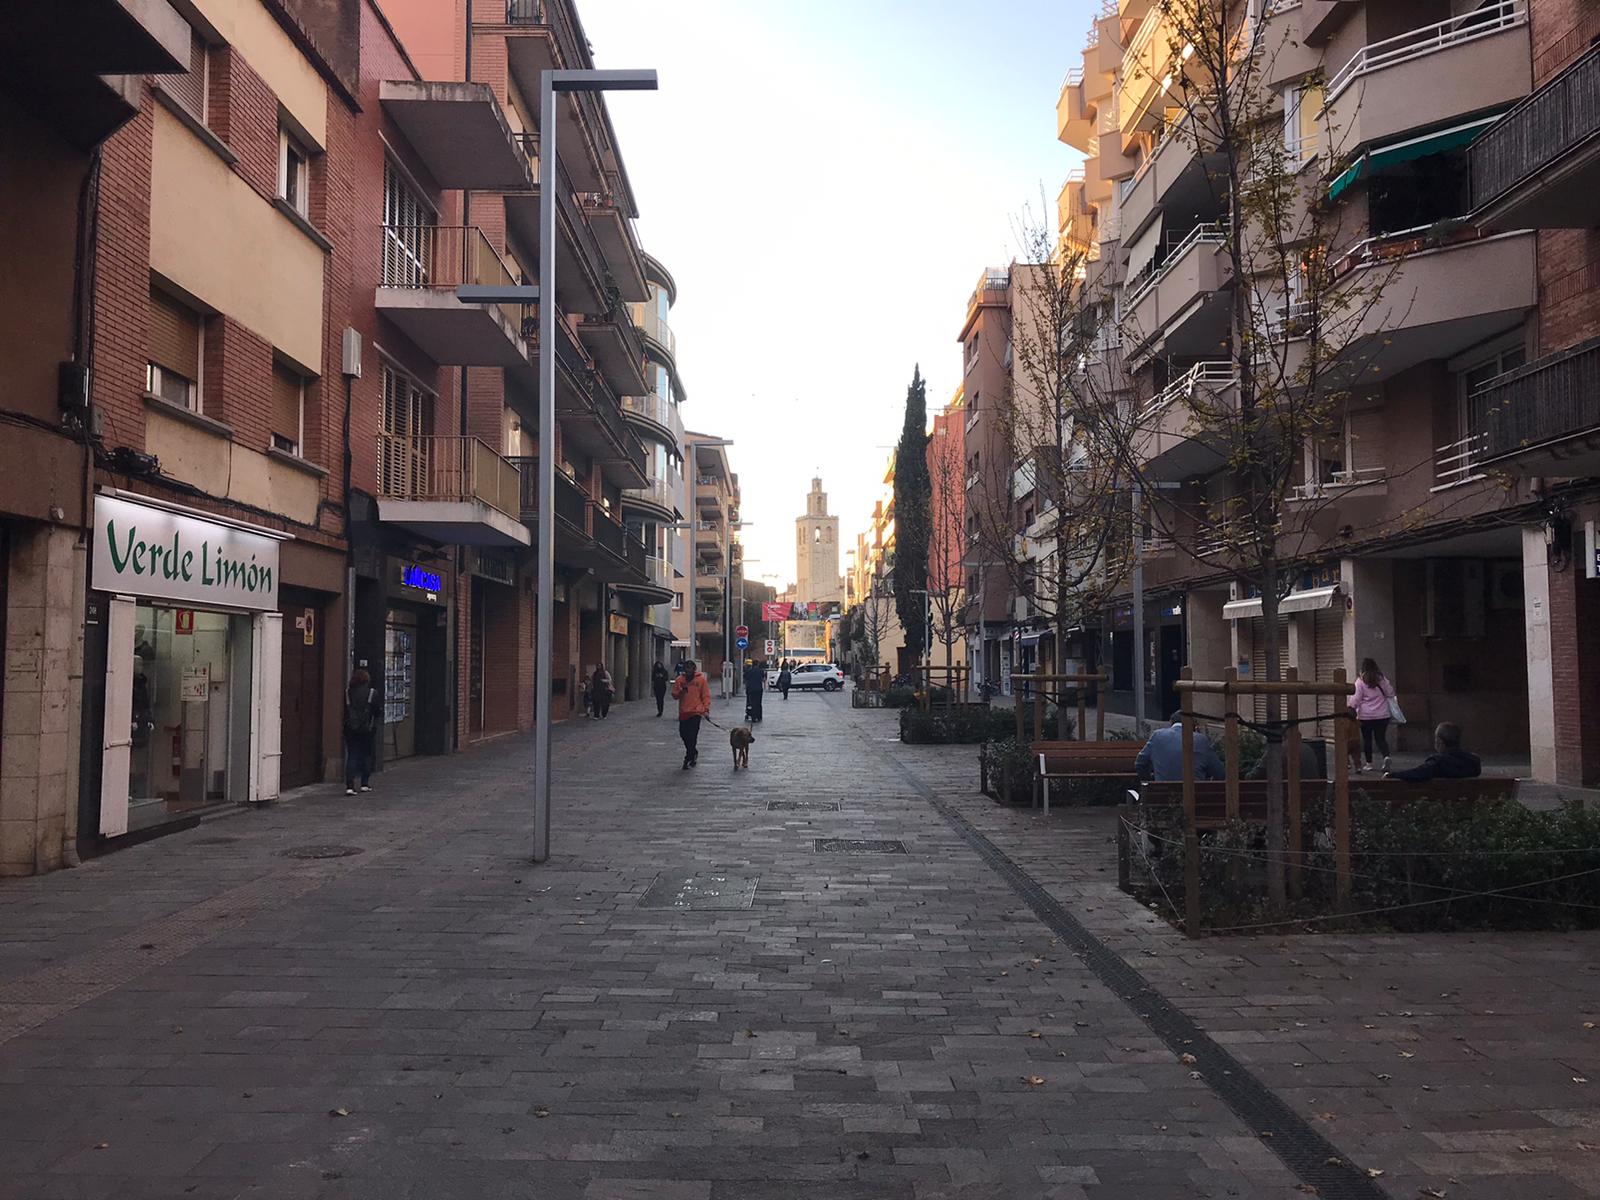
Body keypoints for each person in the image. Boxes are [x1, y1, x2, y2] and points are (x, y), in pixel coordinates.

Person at [1135, 712, 1226, 783]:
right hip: (1194, 797)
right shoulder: (1201, 740)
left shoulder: (1157, 736)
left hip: (1163, 796)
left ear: (1171, 722)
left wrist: (1149, 782)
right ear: (1194, 726)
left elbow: (1140, 763)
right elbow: (1219, 772)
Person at [1349, 657, 1397, 773]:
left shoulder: (1360, 681)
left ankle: (1369, 764)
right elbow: (1390, 692)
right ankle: (1386, 757)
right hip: (1382, 715)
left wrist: (1350, 707)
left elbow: (1356, 698)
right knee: (1381, 738)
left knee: (1367, 740)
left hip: (1366, 716)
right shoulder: (1381, 679)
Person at [1388, 722, 1482, 781]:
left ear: (1440, 742)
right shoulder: (1474, 761)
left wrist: (1393, 775)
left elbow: (1418, 773)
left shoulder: (1438, 762)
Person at [343, 667, 383, 795]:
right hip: (367, 729)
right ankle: (364, 783)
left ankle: (350, 786)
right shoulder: (372, 693)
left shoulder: (348, 693)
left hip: (350, 728)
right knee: (366, 754)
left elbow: (345, 712)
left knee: (352, 755)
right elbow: (377, 712)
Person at [671, 658, 711, 769]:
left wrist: (706, 709)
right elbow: (674, 695)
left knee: (692, 736)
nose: (688, 673)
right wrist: (681, 691)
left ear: (694, 670)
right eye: (686, 671)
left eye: (690, 671)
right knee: (683, 734)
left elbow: (705, 695)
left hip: (696, 712)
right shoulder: (680, 680)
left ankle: (688, 757)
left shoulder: (701, 680)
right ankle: (693, 752)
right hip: (684, 711)